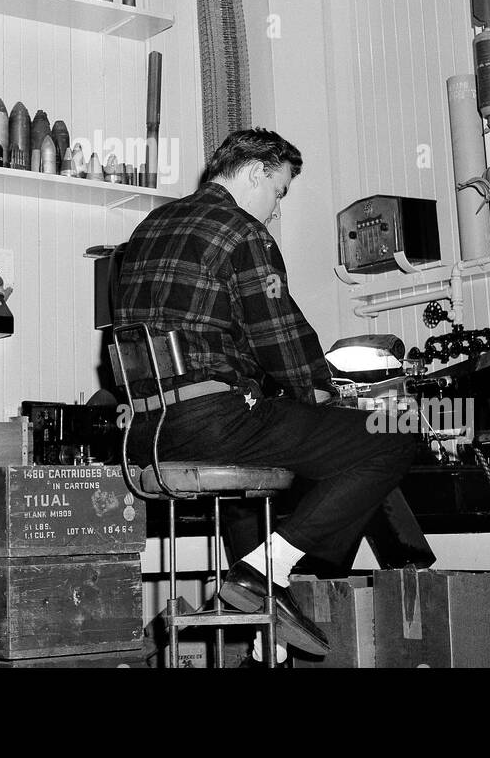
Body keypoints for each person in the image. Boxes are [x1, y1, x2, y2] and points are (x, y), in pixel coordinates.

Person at [113, 128, 419, 655]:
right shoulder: (243, 233)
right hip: (211, 425)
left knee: (272, 472)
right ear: (256, 171)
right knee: (394, 435)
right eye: (278, 192)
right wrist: (324, 392)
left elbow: (206, 331)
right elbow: (279, 333)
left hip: (146, 436)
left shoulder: (148, 227)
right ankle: (262, 573)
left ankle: (256, 613)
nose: (275, 210)